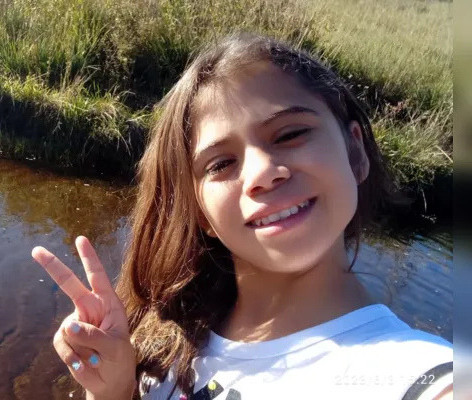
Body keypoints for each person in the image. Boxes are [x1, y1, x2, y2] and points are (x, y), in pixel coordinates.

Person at [31, 33, 453, 400]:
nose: (263, 173)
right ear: (201, 215)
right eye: (219, 164)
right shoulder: (162, 339)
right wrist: (111, 388)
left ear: (355, 151)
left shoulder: (421, 376)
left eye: (290, 134)